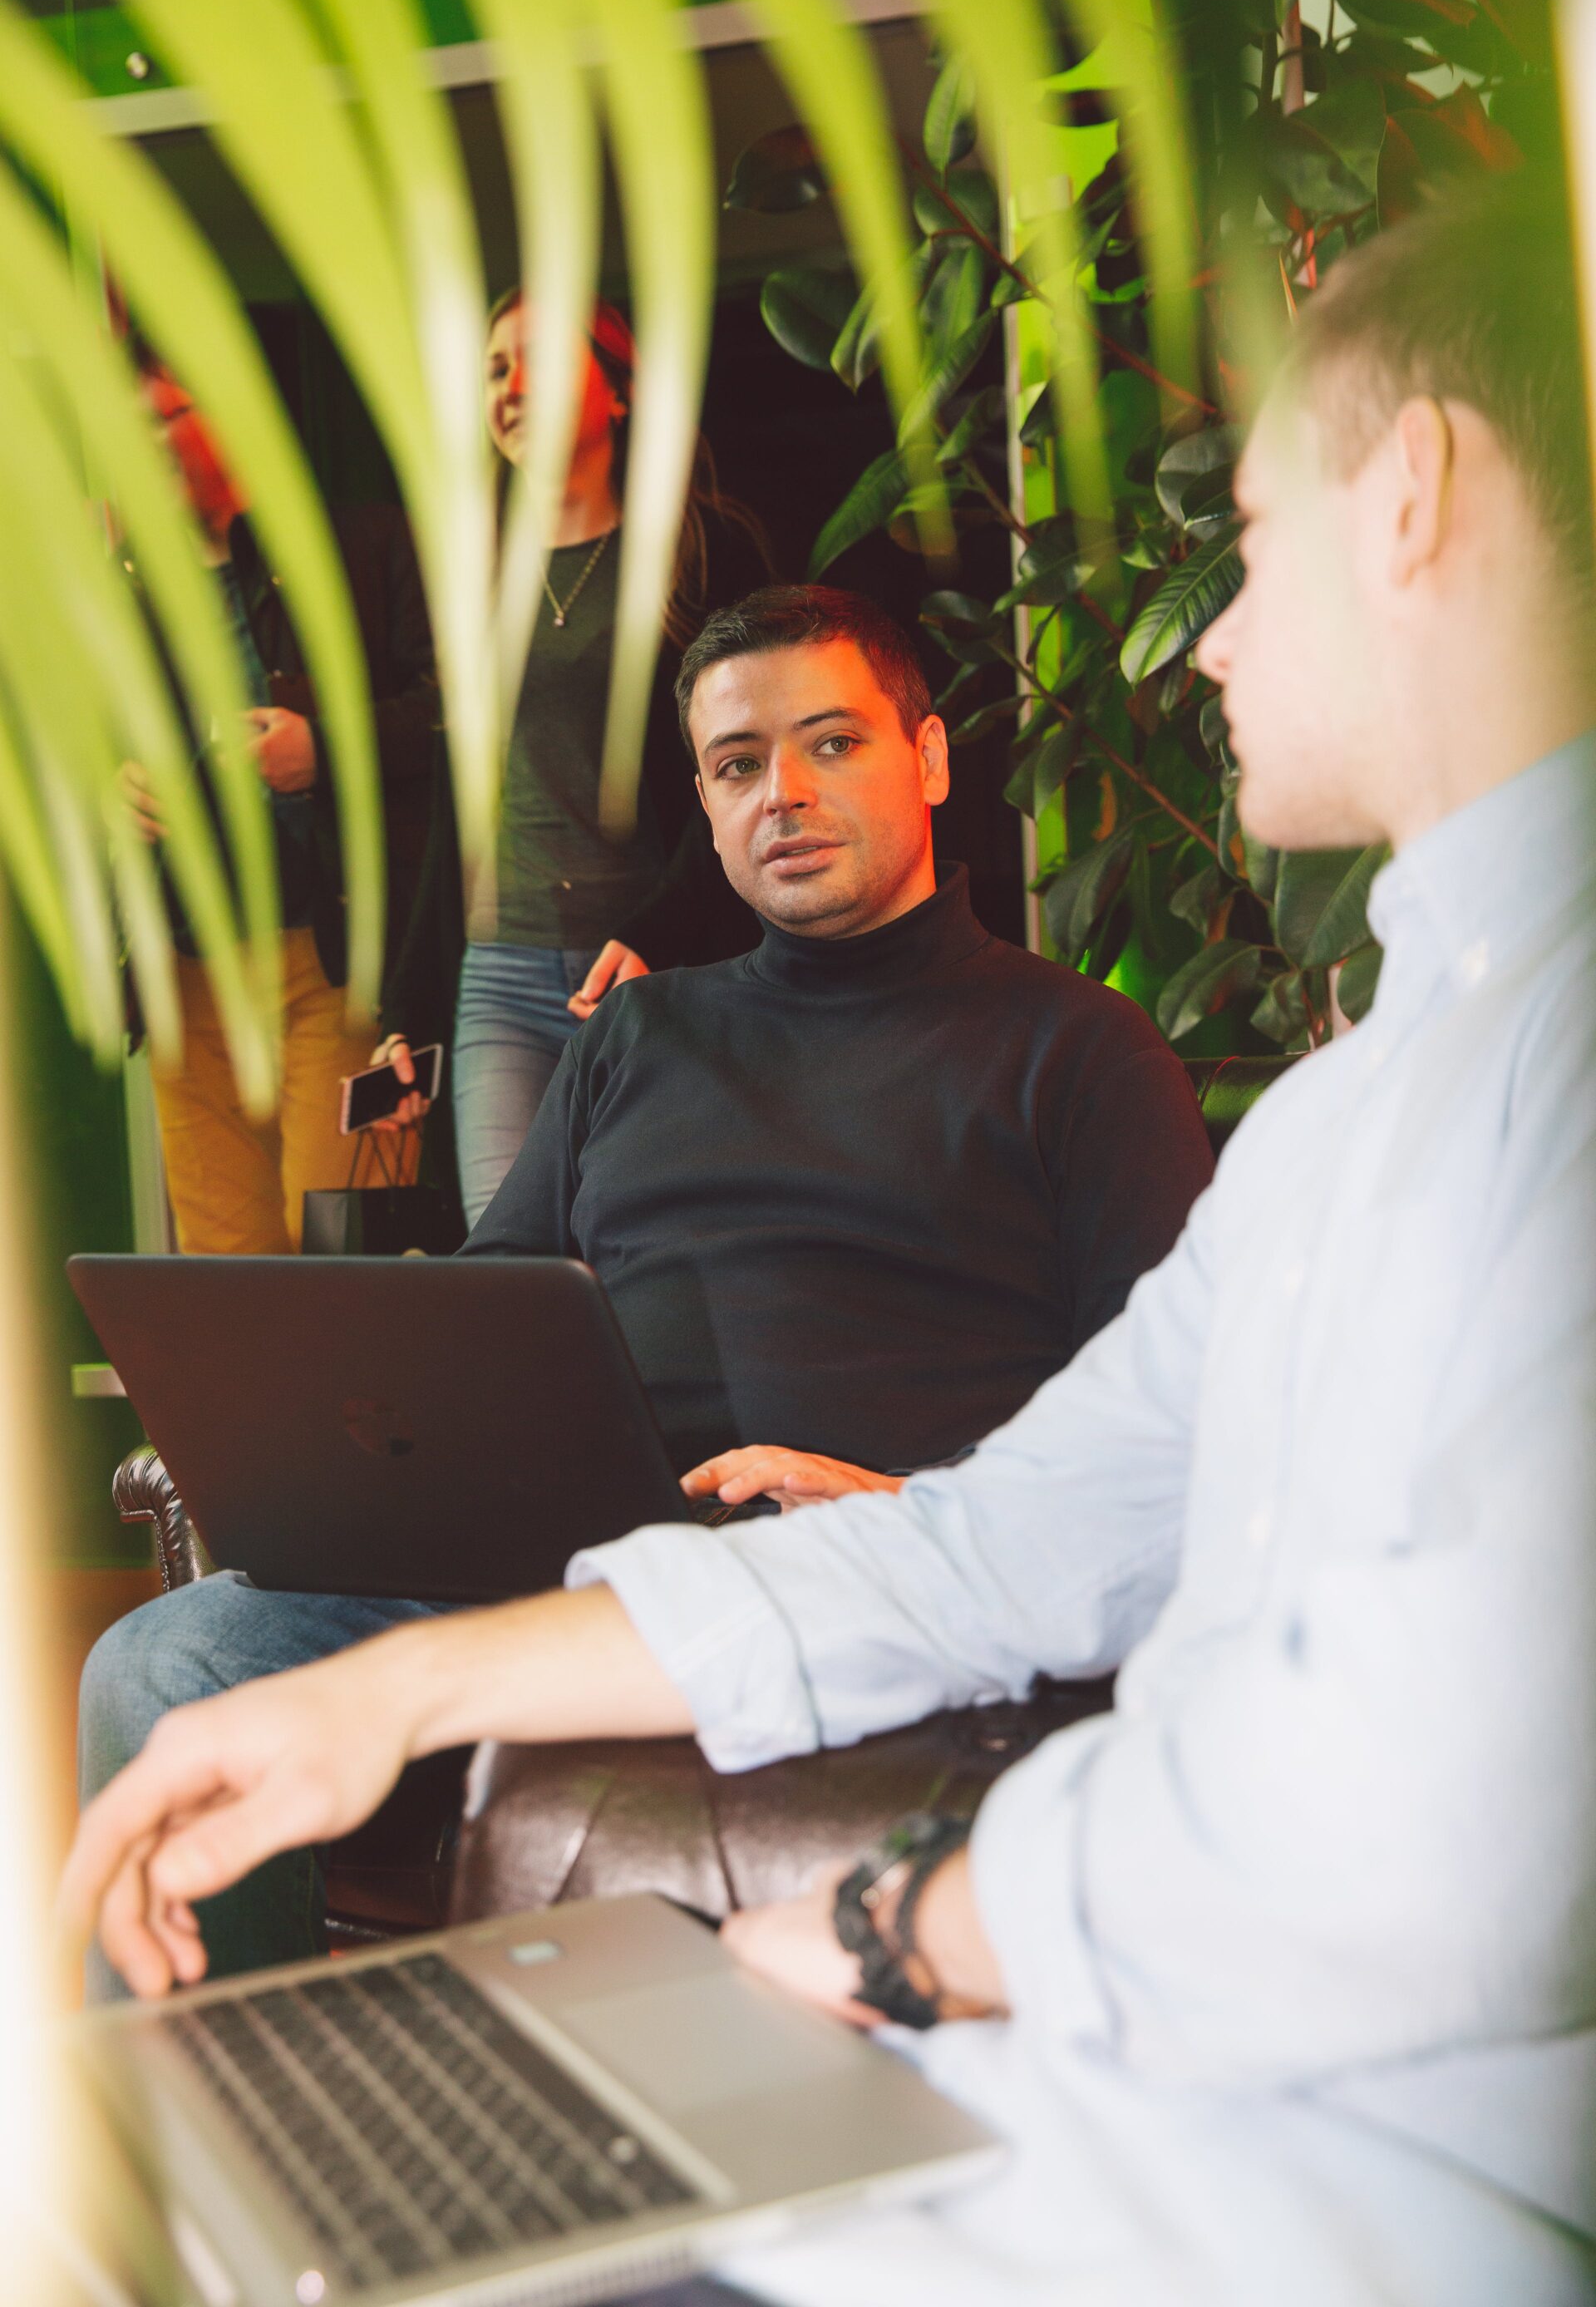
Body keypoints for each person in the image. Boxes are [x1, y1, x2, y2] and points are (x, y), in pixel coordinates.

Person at [67, 181, 1596, 2305]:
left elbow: (1432, 1818)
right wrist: (400, 1680)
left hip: (1328, 2189)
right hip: (1086, 2064)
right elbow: (1020, 1536)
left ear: (1414, 492)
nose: (1221, 629)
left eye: (1248, 542)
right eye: (729, 764)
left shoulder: (1157, 1057)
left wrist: (890, 1925)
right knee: (256, 2160)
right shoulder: (1357, 1103)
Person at [76, 584, 1214, 1981]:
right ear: (705, 801)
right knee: (166, 1663)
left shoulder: (1081, 1053)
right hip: (560, 1562)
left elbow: (1164, 1433)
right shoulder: (638, 1034)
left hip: (877, 1570)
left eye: (832, 745)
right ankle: (223, 2130)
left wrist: (912, 1505)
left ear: (927, 760)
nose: (783, 793)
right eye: (739, 766)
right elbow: (489, 1311)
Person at [380, 293, 771, 1225]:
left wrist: (663, 931)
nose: (512, 387)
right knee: (507, 1270)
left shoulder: (700, 548)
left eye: (538, 360)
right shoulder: (465, 568)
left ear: (621, 387)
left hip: (651, 973)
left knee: (652, 1256)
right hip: (499, 973)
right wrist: (411, 1002)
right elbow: (455, 806)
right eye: (495, 370)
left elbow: (751, 776)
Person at [126, 357, 439, 1252]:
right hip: (189, 968)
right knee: (223, 1280)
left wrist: (325, 748)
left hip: (329, 955)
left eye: (160, 419)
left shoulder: (366, 543)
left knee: (341, 1253)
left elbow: (454, 714)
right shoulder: (131, 589)